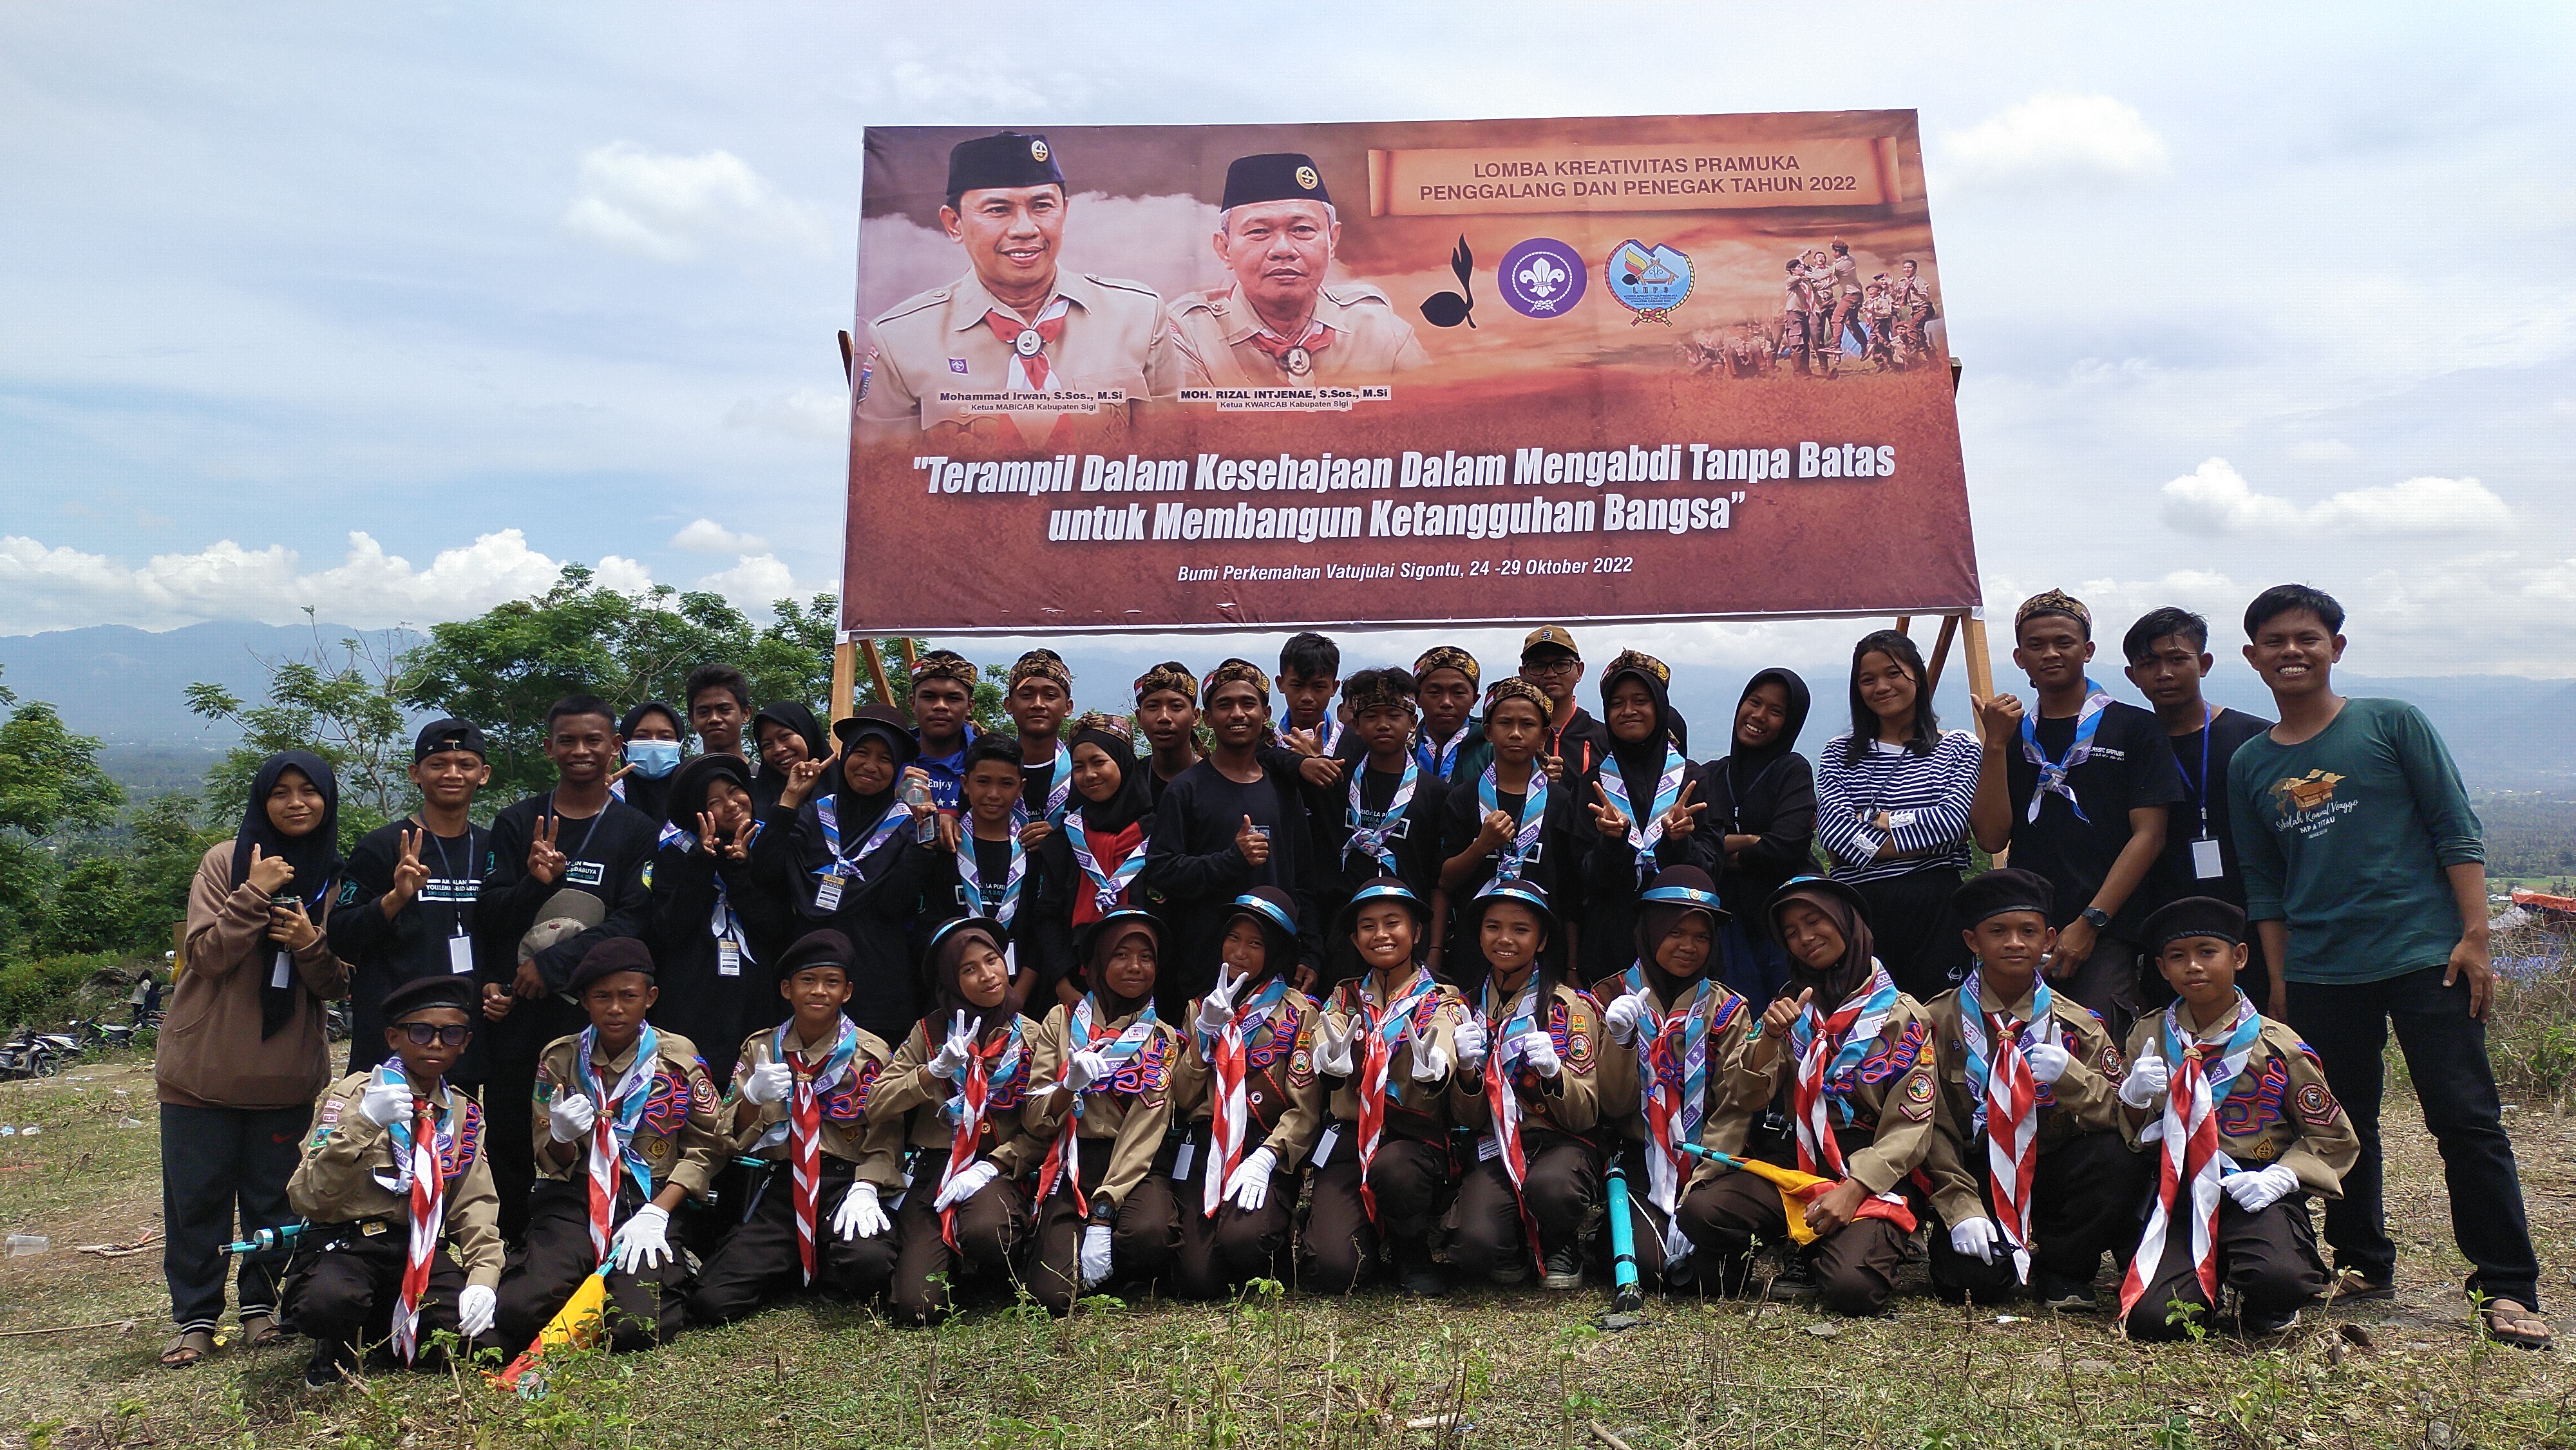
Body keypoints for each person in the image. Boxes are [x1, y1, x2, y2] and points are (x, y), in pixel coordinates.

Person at [2227, 583, 2546, 1348]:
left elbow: (2453, 827)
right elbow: (2263, 882)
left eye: (2307, 637)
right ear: (2251, 657)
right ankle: (2363, 1258)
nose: (2292, 651)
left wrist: (2475, 936)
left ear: (2336, 646)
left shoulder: (2390, 722)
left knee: (2466, 1120)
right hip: (2319, 967)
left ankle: (2505, 1284)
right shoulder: (2248, 763)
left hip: (2423, 954)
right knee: (2337, 1120)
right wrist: (2277, 980)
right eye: (2274, 641)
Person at [158, 750, 350, 1368]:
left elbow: (339, 983)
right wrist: (253, 893)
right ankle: (194, 1318)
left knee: (275, 1201)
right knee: (198, 1201)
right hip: (202, 1073)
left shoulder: (335, 878)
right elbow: (207, 957)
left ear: (327, 800)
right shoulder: (225, 862)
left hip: (285, 1076)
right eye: (281, 792)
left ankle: (260, 1310)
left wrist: (310, 944)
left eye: (310, 792)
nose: (297, 803)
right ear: (261, 801)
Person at [2114, 897, 2358, 1339]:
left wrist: (2283, 1177)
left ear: (2239, 957)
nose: (2193, 966)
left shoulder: (2276, 1044)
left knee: (2277, 1283)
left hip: (2251, 1187)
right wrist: (2132, 1098)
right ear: (2162, 968)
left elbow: (2332, 1136)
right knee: (2157, 1321)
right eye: (2177, 957)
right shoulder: (2148, 1035)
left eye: (2207, 951)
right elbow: (2134, 1133)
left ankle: (2265, 1287)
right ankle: (2206, 1283)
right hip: (2179, 1192)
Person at [1689, 877, 1933, 1315]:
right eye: (1790, 933)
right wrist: (1768, 1037)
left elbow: (1909, 1130)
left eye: (1814, 920)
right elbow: (1746, 1097)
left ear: (1847, 921)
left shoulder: (1904, 1016)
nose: (1805, 938)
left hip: (1864, 1171)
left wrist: (1854, 1190)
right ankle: (1796, 1244)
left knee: (1851, 1289)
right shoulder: (1791, 1005)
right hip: (1795, 1170)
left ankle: (1844, 1248)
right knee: (1701, 1211)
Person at [857, 131, 1174, 447]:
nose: (1025, 229)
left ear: (1064, 212)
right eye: (998, 210)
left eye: (1042, 206)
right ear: (955, 224)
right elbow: (883, 479)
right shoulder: (902, 340)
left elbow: (1174, 454)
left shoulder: (1138, 317)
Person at [477, 695, 658, 1245]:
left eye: (593, 740)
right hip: (520, 1009)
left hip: (597, 1012)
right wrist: (535, 883)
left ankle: (596, 1233)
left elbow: (634, 918)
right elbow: (490, 913)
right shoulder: (517, 822)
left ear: (614, 747)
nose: (581, 751)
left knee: (597, 1121)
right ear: (549, 746)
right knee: (511, 1126)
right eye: (568, 741)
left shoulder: (635, 829)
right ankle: (511, 1240)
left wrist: (553, 965)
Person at [1920, 869, 2143, 1311]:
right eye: (1997, 931)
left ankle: (2064, 1267)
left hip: (2055, 1164)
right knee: (1971, 1286)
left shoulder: (2079, 1024)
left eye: (2029, 931)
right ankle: (1992, 1247)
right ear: (1972, 941)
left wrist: (2072, 1080)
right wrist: (1961, 1206)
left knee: (2115, 1157)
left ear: (2050, 939)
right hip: (1977, 1169)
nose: (2015, 943)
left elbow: (2122, 1115)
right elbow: (1928, 1124)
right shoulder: (1935, 1022)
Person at [1973, 590, 2185, 1044]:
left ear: (2087, 650)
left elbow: (2149, 835)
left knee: (2097, 1049)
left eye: (2064, 642)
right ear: (2019, 657)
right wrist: (1993, 744)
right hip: (2027, 929)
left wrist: (2091, 922)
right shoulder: (2010, 737)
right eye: (2036, 645)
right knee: (2022, 1054)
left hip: (2110, 927)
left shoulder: (2133, 727)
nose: (2050, 653)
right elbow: (1991, 838)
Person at [493, 938, 724, 1355]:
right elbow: (552, 1156)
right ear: (583, 1000)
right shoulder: (561, 1059)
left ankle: (673, 1264)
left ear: (650, 997)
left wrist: (659, 1211)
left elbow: (708, 1146)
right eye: (602, 997)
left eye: (628, 996)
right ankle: (578, 1272)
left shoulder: (678, 1057)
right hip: (577, 1196)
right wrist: (562, 1136)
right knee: (516, 1312)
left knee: (636, 1330)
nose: (615, 1008)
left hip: (649, 1199)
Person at [283, 976, 501, 1386]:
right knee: (328, 1304)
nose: (436, 1044)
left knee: (482, 1338)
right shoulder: (356, 1096)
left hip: (415, 1247)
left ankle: (382, 1324)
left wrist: (483, 1280)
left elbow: (474, 1203)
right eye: (421, 1032)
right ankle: (339, 1337)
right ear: (394, 1037)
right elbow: (307, 1198)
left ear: (465, 1042)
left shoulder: (460, 1113)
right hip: (350, 1242)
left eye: (451, 1034)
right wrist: (365, 1123)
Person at [688, 930, 900, 1324]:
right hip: (782, 1187)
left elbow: (886, 1136)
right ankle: (792, 1260)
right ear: (787, 989)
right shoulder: (762, 1049)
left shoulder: (872, 1053)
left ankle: (812, 1262)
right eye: (807, 981)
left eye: (832, 982)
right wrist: (752, 1096)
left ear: (848, 992)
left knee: (869, 1266)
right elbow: (727, 1137)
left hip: (845, 1184)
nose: (819, 991)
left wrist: (867, 1187)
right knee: (712, 1302)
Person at [866, 917, 1039, 1324]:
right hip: (935, 1171)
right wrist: (932, 1072)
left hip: (996, 1168)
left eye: (992, 961)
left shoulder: (1030, 1033)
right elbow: (876, 1103)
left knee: (987, 1231)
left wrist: (997, 1163)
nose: (987, 976)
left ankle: (992, 1265)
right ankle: (948, 1266)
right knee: (916, 1308)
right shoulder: (927, 1033)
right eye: (969, 969)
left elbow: (1044, 1127)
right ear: (950, 979)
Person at [1595, 868, 1761, 1291]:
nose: (1689, 947)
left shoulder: (1728, 1009)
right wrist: (1621, 1041)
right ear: (1650, 931)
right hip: (1639, 1155)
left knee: (1712, 1271)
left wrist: (1701, 1179)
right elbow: (1612, 1105)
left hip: (1709, 1162)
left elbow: (1733, 1108)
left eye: (1701, 936)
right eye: (1675, 932)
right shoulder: (1608, 996)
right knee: (1653, 1266)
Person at [1303, 878, 1468, 1295]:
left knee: (1395, 1171)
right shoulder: (1344, 999)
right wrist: (1327, 1058)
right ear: (1356, 940)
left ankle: (1411, 1247)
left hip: (1410, 1140)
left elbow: (1445, 1033)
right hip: (1350, 1136)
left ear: (1415, 933)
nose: (1380, 935)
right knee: (1335, 1269)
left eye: (1392, 923)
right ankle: (1356, 1237)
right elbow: (1328, 1032)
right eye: (1367, 926)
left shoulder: (1443, 998)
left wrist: (1438, 1065)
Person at [1446, 880, 1605, 1291]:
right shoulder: (1463, 1007)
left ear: (1542, 940)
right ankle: (1511, 1241)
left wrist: (1555, 1074)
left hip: (1558, 1141)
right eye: (1493, 927)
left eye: (1520, 930)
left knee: (1552, 1189)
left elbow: (1586, 1114)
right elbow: (1465, 1118)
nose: (1505, 940)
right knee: (1473, 1247)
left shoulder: (1569, 1008)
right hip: (1495, 1145)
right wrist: (1466, 1073)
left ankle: (1560, 1240)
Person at [1021, 910, 1182, 1312]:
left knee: (1151, 1234)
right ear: (1097, 962)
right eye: (1121, 955)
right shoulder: (1060, 1021)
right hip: (1073, 1159)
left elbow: (1148, 1128)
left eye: (1147, 957)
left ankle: (1116, 1261)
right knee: (1051, 1296)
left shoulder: (1162, 1036)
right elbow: (1034, 1116)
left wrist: (1103, 1213)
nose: (1135, 967)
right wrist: (1065, 1090)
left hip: (1135, 1165)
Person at [1164, 889, 1320, 1299]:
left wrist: (1269, 1157)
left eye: (1256, 943)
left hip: (1261, 1145)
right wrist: (1203, 1037)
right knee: (1198, 1280)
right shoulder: (1201, 1006)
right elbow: (1180, 1097)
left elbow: (1305, 1109)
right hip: (1206, 1144)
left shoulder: (1299, 1011)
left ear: (1276, 950)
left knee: (1244, 1243)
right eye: (1234, 938)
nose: (1240, 952)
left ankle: (1277, 1242)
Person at [1814, 630, 1981, 1002]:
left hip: (1936, 909)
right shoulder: (1840, 753)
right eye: (1867, 679)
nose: (1881, 687)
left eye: (1893, 674)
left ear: (1917, 677)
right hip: (1861, 911)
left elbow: (1953, 822)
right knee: (1868, 1022)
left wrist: (1874, 818)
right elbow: (1836, 837)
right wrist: (1922, 834)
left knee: (1942, 1016)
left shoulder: (1958, 746)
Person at [1144, 661, 1322, 1011]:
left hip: (1275, 966)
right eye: (1224, 705)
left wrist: (1311, 950)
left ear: (1266, 713)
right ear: (1207, 717)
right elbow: (1162, 871)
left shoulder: (1284, 790)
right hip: (1204, 968)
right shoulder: (1186, 789)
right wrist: (1231, 861)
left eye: (1248, 704)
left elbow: (1303, 879)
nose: (1237, 714)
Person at [1166, 153, 1429, 388]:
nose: (1283, 249)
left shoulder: (1376, 328)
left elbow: (1431, 423)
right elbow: (1189, 435)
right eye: (1259, 231)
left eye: (1302, 229)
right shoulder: (1192, 333)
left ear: (1332, 241)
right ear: (1225, 249)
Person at [761, 706, 942, 1046]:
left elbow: (894, 904)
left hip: (879, 982)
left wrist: (923, 835)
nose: (871, 766)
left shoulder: (906, 826)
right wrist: (789, 800)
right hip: (811, 979)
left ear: (898, 768)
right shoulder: (813, 815)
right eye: (861, 752)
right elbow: (767, 871)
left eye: (885, 759)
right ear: (844, 757)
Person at [2121, 606, 2274, 1000]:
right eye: (2149, 663)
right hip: (2165, 928)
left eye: (2178, 659)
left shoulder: (2254, 738)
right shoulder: (2128, 744)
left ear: (2203, 664)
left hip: (2251, 920)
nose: (2165, 673)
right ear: (2132, 675)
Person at [328, 719, 493, 1083]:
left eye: (465, 765)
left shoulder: (492, 847)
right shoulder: (383, 845)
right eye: (438, 765)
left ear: (483, 775)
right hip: (393, 1033)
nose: (452, 774)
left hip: (460, 1034)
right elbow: (340, 934)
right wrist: (395, 898)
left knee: (456, 1133)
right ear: (416, 773)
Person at [646, 754, 794, 1084]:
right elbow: (670, 930)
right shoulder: (674, 852)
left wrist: (740, 875)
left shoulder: (768, 847)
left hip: (755, 995)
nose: (731, 804)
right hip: (691, 993)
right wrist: (702, 864)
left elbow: (775, 929)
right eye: (715, 801)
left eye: (734, 791)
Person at [1314, 668, 1450, 983]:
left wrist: (1435, 947)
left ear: (1413, 723)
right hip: (1348, 934)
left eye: (1394, 715)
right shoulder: (1336, 781)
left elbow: (1437, 880)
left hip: (1410, 935)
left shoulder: (1435, 793)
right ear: (1356, 726)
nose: (1384, 724)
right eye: (1372, 716)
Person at [1442, 678, 1588, 966]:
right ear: (1488, 732)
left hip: (1545, 952)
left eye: (1528, 725)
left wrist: (1571, 966)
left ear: (1544, 735)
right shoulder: (1463, 798)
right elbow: (1446, 879)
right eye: (1505, 723)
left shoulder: (1561, 802)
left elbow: (1572, 891)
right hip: (1474, 948)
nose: (1516, 733)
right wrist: (1482, 846)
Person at [1692, 669, 1817, 1003]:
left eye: (1776, 712)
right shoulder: (1713, 774)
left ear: (1790, 723)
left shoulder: (1792, 770)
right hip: (1726, 932)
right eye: (1754, 702)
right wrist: (1753, 841)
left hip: (1782, 931)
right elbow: (1697, 851)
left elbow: (1788, 847)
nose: (1759, 716)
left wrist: (1724, 849)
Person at [1582, 651, 1703, 988]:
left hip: (1682, 945)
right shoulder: (1591, 784)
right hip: (1610, 946)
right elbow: (1579, 882)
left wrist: (1679, 843)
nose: (1629, 711)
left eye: (1640, 700)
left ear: (1660, 707)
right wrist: (1611, 843)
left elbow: (1713, 870)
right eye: (1617, 703)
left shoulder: (1692, 780)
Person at [930, 734, 1078, 1009]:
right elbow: (934, 925)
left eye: (1006, 784)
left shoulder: (1036, 851)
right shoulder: (946, 846)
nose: (994, 794)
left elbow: (1040, 929)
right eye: (983, 782)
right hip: (954, 998)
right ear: (965, 784)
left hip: (1024, 999)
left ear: (1021, 788)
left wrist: (1017, 997)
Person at [1062, 712, 1157, 933]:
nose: (1089, 775)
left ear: (1123, 762)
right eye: (1079, 767)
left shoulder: (1158, 834)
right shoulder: (1068, 836)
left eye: (1099, 762)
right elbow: (1050, 914)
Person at [1518, 626, 1609, 783]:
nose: (1550, 674)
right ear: (1523, 674)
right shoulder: (1512, 737)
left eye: (1561, 664)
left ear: (1579, 671)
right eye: (1538, 666)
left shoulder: (1604, 738)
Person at [1004, 650, 1078, 832]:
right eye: (1027, 695)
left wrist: (1056, 843)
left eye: (1050, 696)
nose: (1038, 704)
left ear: (1068, 708)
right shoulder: (988, 770)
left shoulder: (1083, 774)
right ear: (1009, 705)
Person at [907, 650, 982, 818]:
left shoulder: (989, 761)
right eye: (929, 697)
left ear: (970, 706)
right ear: (913, 703)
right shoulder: (892, 759)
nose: (941, 706)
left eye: (953, 698)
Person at [1410, 646, 1489, 784]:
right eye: (1434, 692)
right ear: (1417, 699)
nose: (1446, 703)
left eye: (1458, 693)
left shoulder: (1493, 749)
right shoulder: (1403, 750)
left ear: (1474, 700)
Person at [1132, 661, 1204, 805]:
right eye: (1153, 707)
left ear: (1195, 717)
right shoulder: (1131, 782)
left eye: (1176, 706)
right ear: (1139, 718)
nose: (1164, 717)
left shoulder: (1214, 780)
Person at [748, 702, 829, 811]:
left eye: (785, 736)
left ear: (807, 733)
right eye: (767, 745)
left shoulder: (845, 786)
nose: (778, 750)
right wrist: (790, 799)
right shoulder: (753, 800)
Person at [612, 701, 685, 824]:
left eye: (666, 737)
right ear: (623, 744)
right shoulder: (608, 799)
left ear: (681, 745)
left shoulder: (696, 799)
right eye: (642, 736)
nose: (654, 746)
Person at [1276, 631, 1346, 758]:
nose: (1307, 698)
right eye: (1297, 686)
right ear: (1280, 684)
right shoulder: (1266, 744)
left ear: (1334, 688)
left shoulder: (1352, 742)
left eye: (1319, 687)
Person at [685, 663, 752, 764]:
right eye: (704, 712)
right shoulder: (683, 777)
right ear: (692, 720)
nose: (714, 719)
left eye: (724, 710)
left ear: (746, 714)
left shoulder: (764, 777)